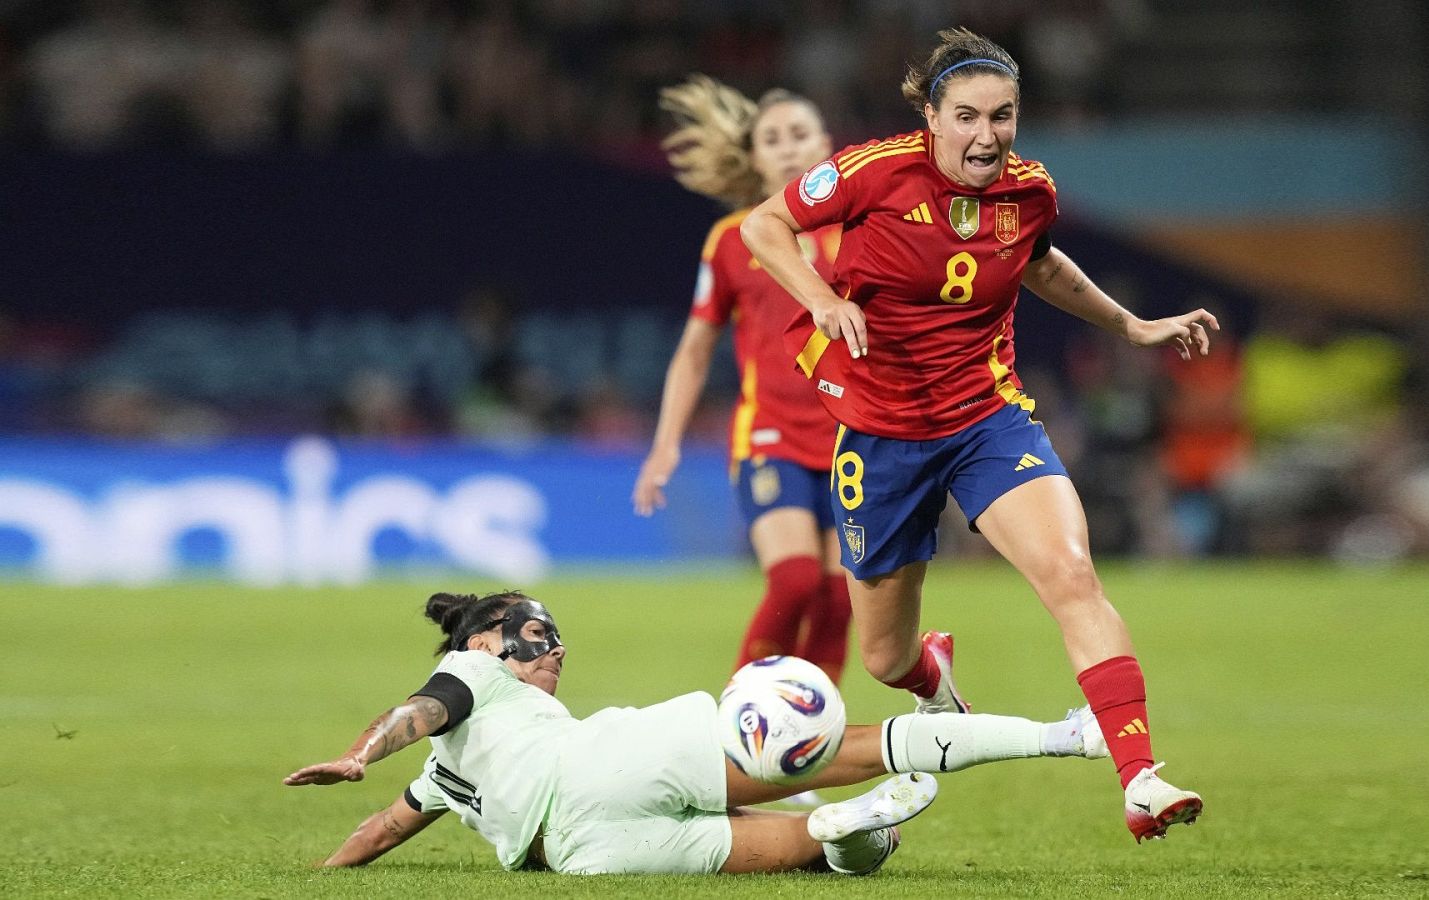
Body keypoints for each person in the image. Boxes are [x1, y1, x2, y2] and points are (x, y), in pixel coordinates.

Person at [739, 27, 1215, 842]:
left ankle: (1139, 778)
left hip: (984, 418)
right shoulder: (872, 170)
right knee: (885, 657)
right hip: (881, 433)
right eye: (966, 116)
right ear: (932, 115)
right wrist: (821, 297)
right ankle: (934, 671)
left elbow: (1039, 263)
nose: (986, 136)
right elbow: (763, 227)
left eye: (1002, 117)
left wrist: (1130, 325)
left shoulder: (1032, 191)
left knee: (1071, 572)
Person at [283, 590, 1109, 875]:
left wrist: (326, 868)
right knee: (857, 745)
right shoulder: (473, 675)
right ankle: (1068, 735)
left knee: (813, 853)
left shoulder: (444, 777)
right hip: (601, 768)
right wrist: (360, 753)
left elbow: (387, 825)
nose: (556, 645)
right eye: (538, 631)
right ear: (483, 640)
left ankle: (841, 828)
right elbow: (417, 712)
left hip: (583, 857)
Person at [633, 76, 852, 682]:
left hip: (854, 439)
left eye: (799, 134)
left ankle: (805, 750)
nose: (787, 147)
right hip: (771, 436)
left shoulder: (861, 232)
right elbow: (694, 351)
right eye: (772, 138)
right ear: (753, 157)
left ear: (827, 147)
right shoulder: (731, 241)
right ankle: (738, 723)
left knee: (840, 600)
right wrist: (665, 444)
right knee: (796, 579)